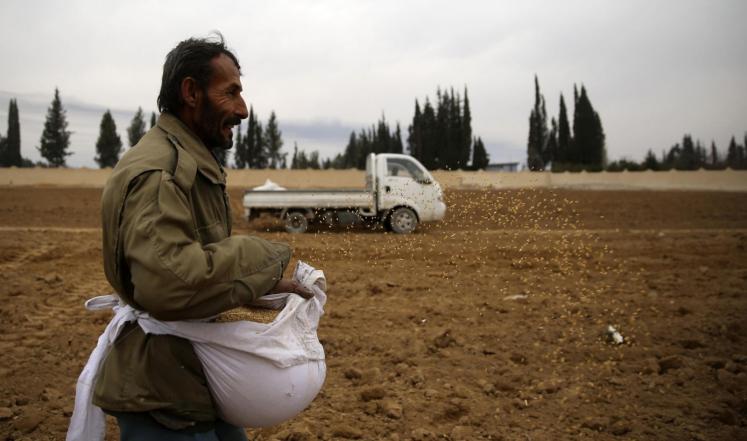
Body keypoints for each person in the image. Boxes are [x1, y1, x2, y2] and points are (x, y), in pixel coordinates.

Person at [93, 34, 312, 440]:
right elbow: (170, 285)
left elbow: (191, 263)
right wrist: (261, 260)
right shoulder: (162, 172)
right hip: (163, 394)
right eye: (231, 93)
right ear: (191, 93)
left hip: (193, 376)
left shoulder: (191, 160)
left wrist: (252, 289)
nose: (243, 109)